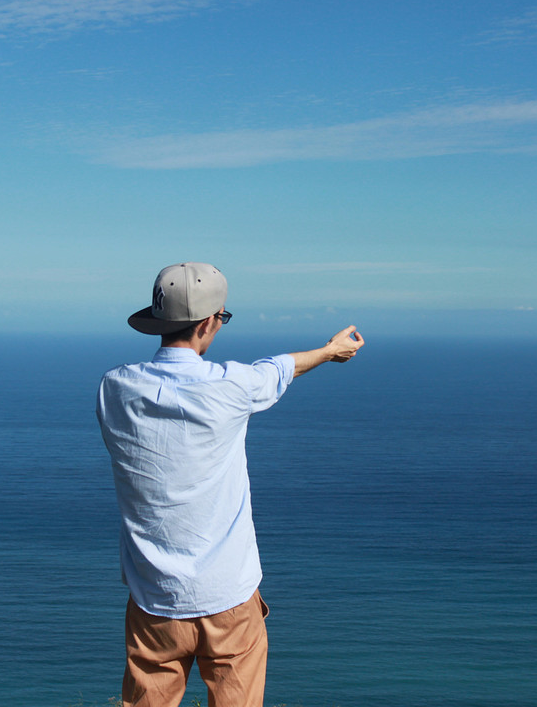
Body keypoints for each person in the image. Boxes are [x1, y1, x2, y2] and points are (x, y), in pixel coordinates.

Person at [96, 262, 364, 707]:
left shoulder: (114, 388)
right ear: (207, 322)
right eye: (222, 317)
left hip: (154, 598)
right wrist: (330, 350)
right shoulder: (232, 387)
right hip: (228, 597)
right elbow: (280, 369)